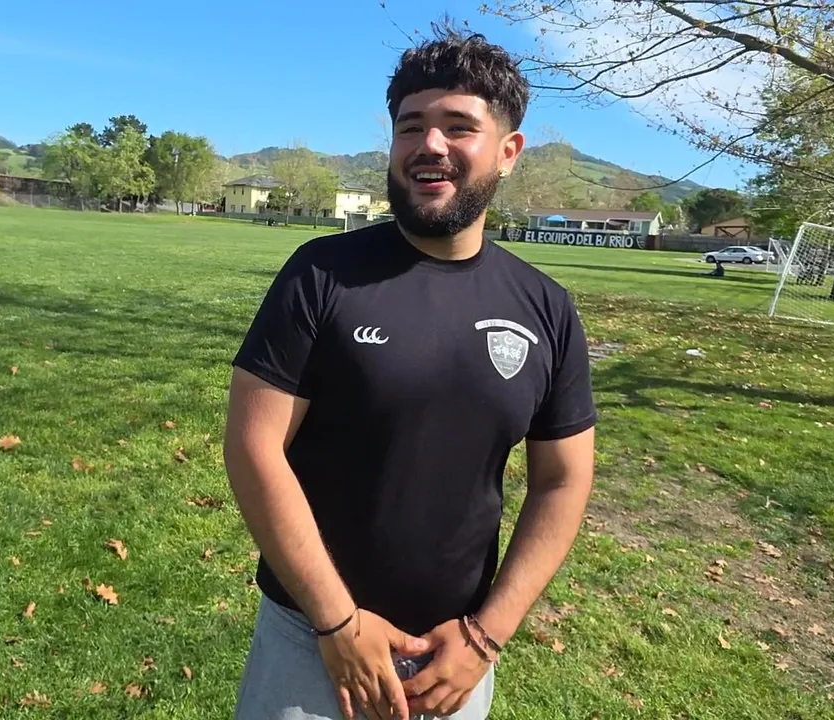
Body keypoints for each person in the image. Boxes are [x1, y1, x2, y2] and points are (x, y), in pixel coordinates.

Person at [223, 28, 597, 720]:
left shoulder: (546, 309)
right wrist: (337, 622)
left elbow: (563, 479)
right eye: (411, 125)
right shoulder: (321, 274)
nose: (430, 144)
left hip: (454, 662)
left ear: (508, 151)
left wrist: (487, 636)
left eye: (459, 126)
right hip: (314, 647)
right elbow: (253, 445)